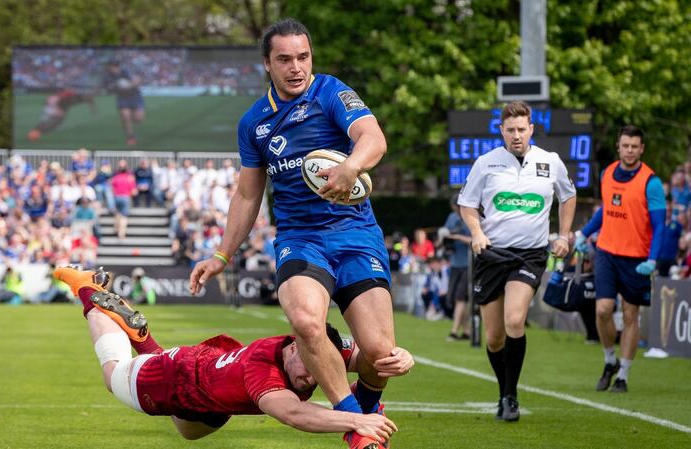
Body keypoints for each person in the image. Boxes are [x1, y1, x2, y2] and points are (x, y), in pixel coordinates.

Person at [188, 18, 398, 449]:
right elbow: (248, 196)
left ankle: (368, 404)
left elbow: (372, 137)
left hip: (356, 233)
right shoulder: (254, 123)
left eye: (303, 57)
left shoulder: (332, 92)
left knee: (379, 355)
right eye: (284, 59)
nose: (296, 67)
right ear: (267, 64)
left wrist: (351, 166)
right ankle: (355, 422)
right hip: (300, 238)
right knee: (304, 319)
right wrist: (221, 255)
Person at [54, 266, 409, 444]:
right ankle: (88, 292)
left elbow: (367, 354)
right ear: (293, 347)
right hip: (171, 379)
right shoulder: (263, 372)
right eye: (312, 367)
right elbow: (294, 413)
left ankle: (144, 341)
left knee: (188, 433)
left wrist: (398, 356)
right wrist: (356, 420)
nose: (314, 379)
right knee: (112, 373)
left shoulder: (312, 345)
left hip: (211, 390)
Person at [458, 100, 576, 421]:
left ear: (531, 130)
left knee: (514, 320)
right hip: (491, 254)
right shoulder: (486, 163)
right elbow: (467, 205)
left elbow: (568, 195)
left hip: (531, 254)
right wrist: (477, 232)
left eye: (521, 129)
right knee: (495, 337)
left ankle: (511, 397)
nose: (516, 135)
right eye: (510, 130)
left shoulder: (550, 162)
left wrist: (564, 235)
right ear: (501, 131)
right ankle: (502, 391)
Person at [574, 125, 665, 393]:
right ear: (618, 146)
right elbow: (605, 210)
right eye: (625, 145)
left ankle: (623, 375)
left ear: (641, 149)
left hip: (636, 258)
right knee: (602, 309)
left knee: (629, 315)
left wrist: (653, 260)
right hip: (606, 252)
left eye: (634, 146)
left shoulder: (652, 182)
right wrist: (585, 233)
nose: (629, 151)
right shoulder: (607, 173)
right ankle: (609, 360)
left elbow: (660, 226)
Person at [442, 194, 472, 341]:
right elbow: (446, 235)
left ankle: (454, 331)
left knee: (461, 297)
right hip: (455, 262)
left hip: (469, 263)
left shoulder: (471, 216)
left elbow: (477, 239)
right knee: (455, 298)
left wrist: (459, 237)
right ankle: (467, 331)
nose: (456, 211)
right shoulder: (452, 217)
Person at [27, 89, 95, 141]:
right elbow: (60, 104)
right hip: (55, 109)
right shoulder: (64, 98)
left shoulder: (71, 97)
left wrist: (92, 108)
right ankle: (35, 133)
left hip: (53, 109)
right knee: (51, 123)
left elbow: (88, 100)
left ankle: (36, 132)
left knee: (48, 123)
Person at [103, 60, 145, 146]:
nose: (109, 69)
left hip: (135, 96)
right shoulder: (108, 76)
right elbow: (109, 89)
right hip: (122, 98)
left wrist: (129, 86)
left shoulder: (125, 71)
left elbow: (137, 80)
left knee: (138, 119)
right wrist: (113, 88)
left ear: (115, 67)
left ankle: (129, 121)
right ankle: (131, 137)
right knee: (125, 115)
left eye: (110, 67)